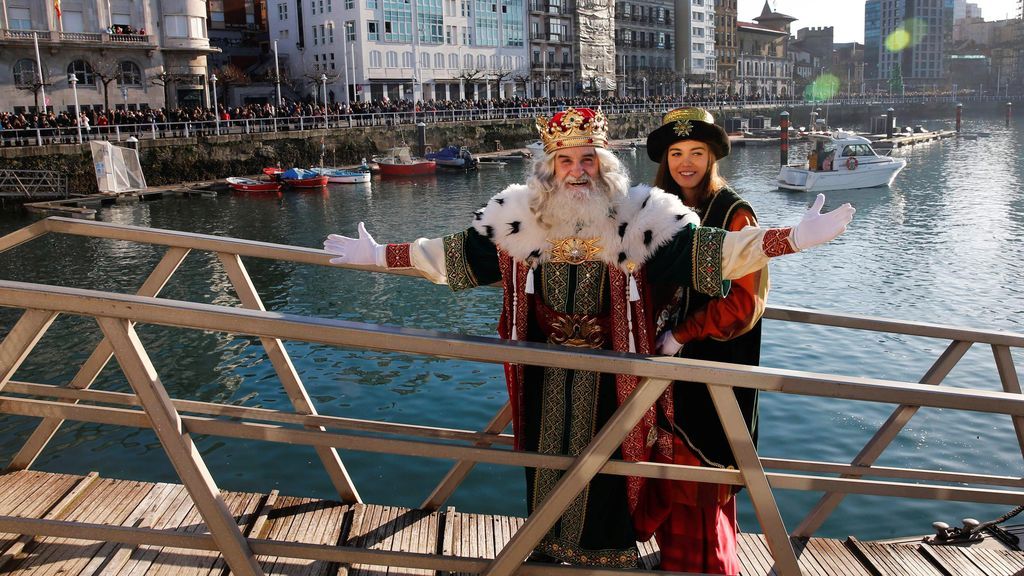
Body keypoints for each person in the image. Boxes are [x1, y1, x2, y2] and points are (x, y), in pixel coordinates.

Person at [323, 107, 854, 567]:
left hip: (614, 379)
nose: (577, 171)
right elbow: (453, 256)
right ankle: (549, 549)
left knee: (610, 475)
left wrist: (792, 239)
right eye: (566, 161)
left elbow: (713, 252)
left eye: (588, 160)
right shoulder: (519, 217)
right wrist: (380, 255)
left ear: (604, 165)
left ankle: (608, 560)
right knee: (547, 465)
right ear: (549, 168)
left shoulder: (640, 216)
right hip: (545, 374)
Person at [635, 106, 764, 575]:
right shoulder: (656, 208)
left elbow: (745, 302)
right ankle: (675, 562)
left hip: (714, 362)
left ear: (712, 157)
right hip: (663, 363)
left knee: (703, 474)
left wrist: (682, 333)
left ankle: (710, 568)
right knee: (666, 467)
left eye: (696, 152)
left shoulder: (734, 212)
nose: (685, 163)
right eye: (676, 153)